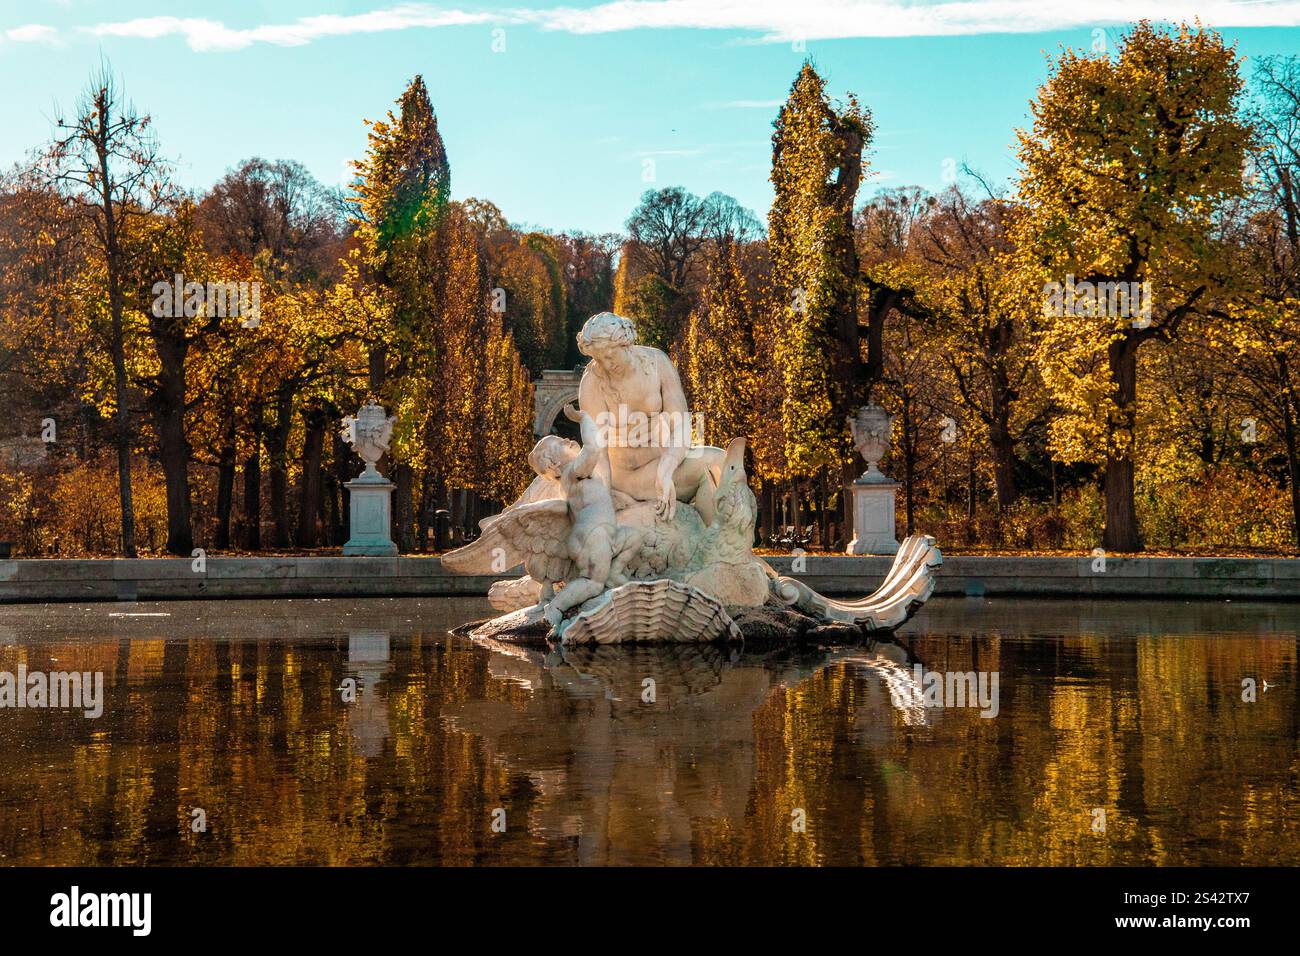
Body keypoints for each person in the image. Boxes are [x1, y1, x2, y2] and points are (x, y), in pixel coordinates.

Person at [576, 312, 725, 524]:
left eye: (610, 356)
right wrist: (605, 498)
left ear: (626, 344)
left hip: (662, 464)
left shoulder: (658, 363)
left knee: (719, 462)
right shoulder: (592, 382)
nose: (607, 365)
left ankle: (711, 547)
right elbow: (598, 452)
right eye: (600, 360)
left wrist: (667, 468)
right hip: (625, 478)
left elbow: (681, 425)